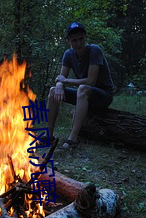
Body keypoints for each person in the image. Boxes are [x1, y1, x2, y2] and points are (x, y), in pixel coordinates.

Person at [47, 21, 115, 149]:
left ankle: (72, 139)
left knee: (83, 88)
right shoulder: (68, 54)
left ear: (85, 37)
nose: (78, 43)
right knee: (52, 91)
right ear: (69, 41)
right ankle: (49, 136)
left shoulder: (95, 50)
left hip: (103, 95)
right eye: (74, 40)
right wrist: (59, 85)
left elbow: (91, 81)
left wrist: (64, 81)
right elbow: (60, 79)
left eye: (81, 39)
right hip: (84, 95)